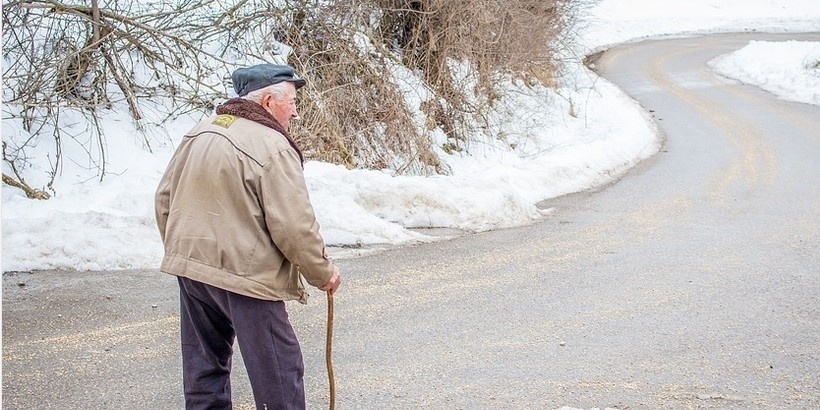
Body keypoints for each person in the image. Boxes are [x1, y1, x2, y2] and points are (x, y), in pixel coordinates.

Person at [155, 63, 341, 410]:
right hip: (247, 278)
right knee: (279, 374)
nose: (296, 112)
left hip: (194, 273)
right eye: (292, 102)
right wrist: (322, 272)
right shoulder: (273, 145)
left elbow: (164, 199)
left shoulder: (200, 131)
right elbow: (294, 225)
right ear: (268, 101)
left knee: (204, 371)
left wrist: (184, 252)